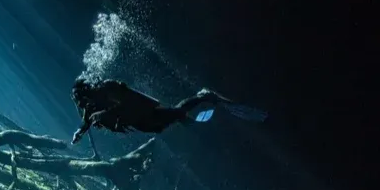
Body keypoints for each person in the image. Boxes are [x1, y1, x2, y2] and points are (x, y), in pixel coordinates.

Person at [70, 78, 266, 144]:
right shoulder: (91, 106)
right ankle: (186, 113)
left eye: (81, 99)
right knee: (167, 122)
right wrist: (79, 132)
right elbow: (87, 121)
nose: (81, 104)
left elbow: (131, 99)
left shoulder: (107, 88)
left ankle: (203, 96)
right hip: (141, 122)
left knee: (177, 113)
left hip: (146, 113)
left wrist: (103, 116)